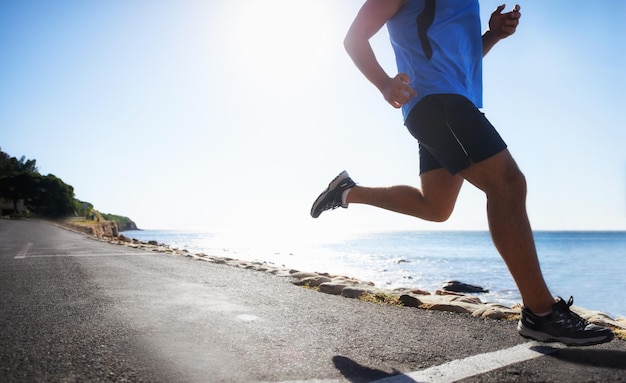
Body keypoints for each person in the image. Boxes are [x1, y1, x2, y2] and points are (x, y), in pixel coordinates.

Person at [310, 1, 614, 346]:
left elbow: (459, 60)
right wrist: (383, 83)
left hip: (451, 101)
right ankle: (540, 313)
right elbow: (354, 38)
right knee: (508, 184)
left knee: (436, 207)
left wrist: (492, 35)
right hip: (436, 102)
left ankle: (348, 191)